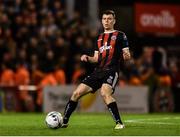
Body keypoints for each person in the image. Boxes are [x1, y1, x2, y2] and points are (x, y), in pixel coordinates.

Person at [61, 10, 131, 129]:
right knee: (76, 93)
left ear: (114, 21)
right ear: (102, 21)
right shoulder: (99, 38)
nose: (106, 21)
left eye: (109, 19)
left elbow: (127, 54)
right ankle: (64, 121)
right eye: (104, 19)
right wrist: (87, 58)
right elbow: (96, 58)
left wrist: (126, 56)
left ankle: (119, 123)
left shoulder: (120, 35)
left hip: (111, 71)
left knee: (104, 93)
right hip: (97, 72)